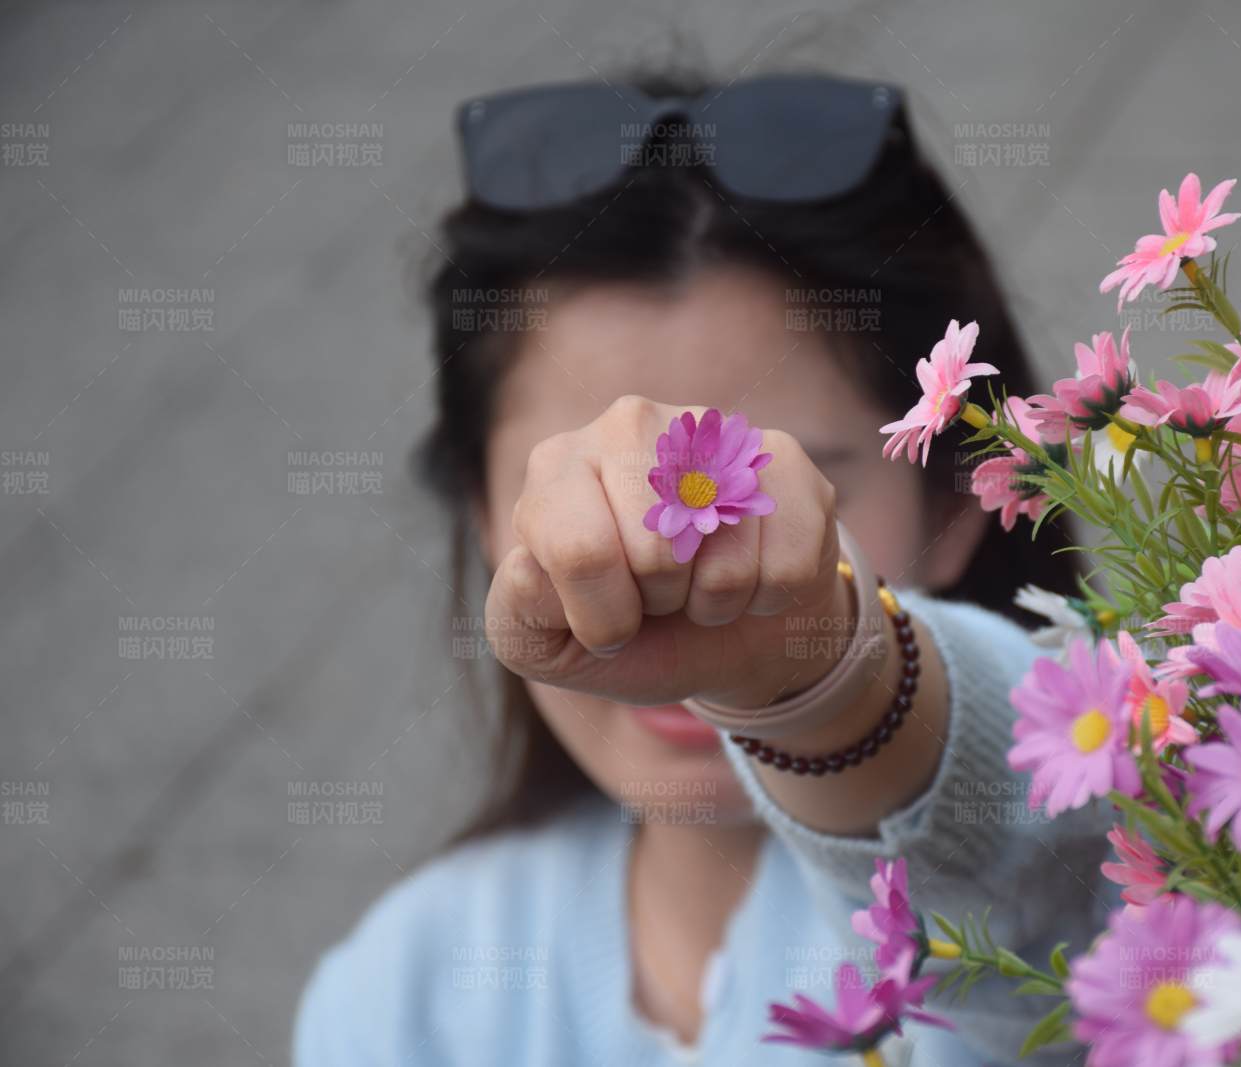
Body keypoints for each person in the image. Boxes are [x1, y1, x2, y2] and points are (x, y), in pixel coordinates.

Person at [295, 70, 1113, 1066]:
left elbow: (1030, 855)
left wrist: (817, 679)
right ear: (479, 510)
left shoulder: (1124, 871)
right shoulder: (408, 991)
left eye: (782, 487)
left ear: (952, 501)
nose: (671, 571)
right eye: (579, 497)